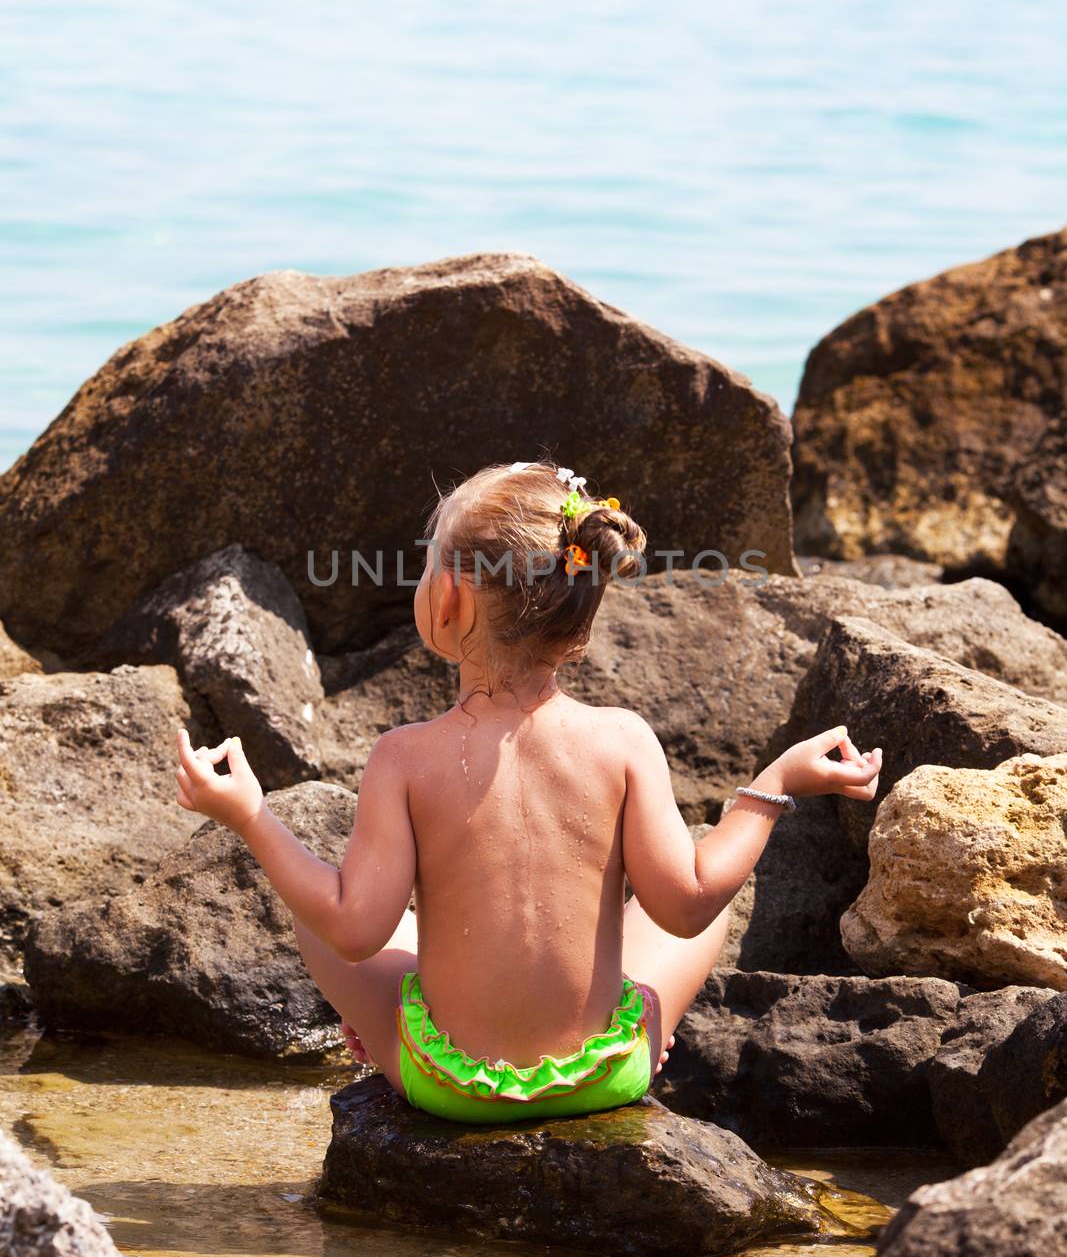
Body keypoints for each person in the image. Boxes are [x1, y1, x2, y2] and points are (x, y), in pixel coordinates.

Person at [175, 461, 882, 1123]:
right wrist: (773, 782)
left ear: (448, 596)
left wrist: (250, 815)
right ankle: (641, 1030)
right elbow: (688, 904)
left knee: (318, 913)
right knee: (709, 892)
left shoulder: (404, 757)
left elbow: (353, 929)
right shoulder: (623, 740)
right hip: (604, 1076)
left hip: (449, 1087)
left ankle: (397, 1044)